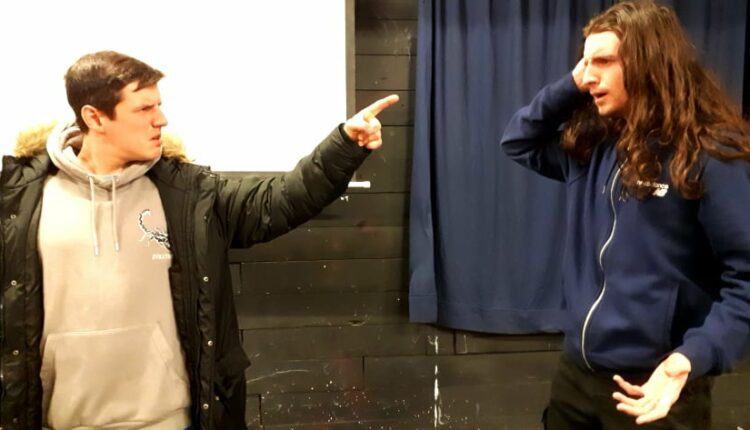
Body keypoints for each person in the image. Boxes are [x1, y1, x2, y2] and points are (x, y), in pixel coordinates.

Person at [0, 50, 398, 429]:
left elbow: (279, 201)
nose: (161, 119)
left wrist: (344, 146)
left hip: (173, 422)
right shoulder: (18, 202)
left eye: (159, 106)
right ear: (95, 117)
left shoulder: (188, 195)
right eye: (144, 108)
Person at [501, 1, 750, 428]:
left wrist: (693, 356)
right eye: (584, 64)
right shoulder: (593, 147)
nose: (588, 76)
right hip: (576, 379)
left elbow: (745, 279)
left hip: (656, 388)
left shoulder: (709, 152)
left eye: (603, 61)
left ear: (649, 64)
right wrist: (572, 83)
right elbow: (518, 140)